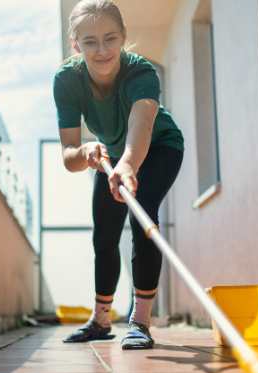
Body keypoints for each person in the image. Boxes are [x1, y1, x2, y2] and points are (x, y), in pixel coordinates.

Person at [52, 0, 184, 350]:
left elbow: (140, 129)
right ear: (75, 44)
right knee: (105, 235)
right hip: (110, 154)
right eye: (90, 41)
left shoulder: (141, 73)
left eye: (110, 38)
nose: (102, 50)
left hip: (158, 148)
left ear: (124, 37)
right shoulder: (67, 80)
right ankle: (100, 320)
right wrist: (85, 152)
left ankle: (140, 321)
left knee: (144, 216)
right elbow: (69, 155)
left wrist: (127, 165)